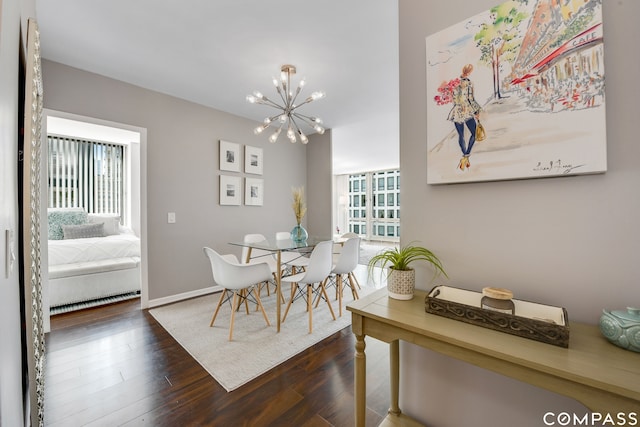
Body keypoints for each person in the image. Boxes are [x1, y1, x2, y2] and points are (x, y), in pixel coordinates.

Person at [447, 64, 482, 170]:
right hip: (466, 110)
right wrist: (477, 110)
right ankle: (466, 155)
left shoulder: (454, 83)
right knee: (474, 133)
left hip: (457, 111)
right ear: (469, 72)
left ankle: (464, 156)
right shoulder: (469, 83)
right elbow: (471, 99)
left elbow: (453, 98)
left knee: (461, 135)